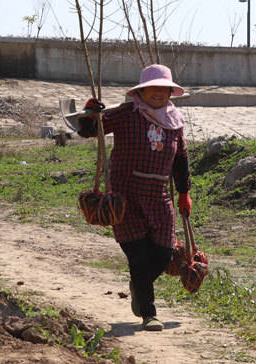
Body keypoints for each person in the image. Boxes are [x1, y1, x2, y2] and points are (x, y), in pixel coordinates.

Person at [79, 64, 191, 332]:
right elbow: (89, 130)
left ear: (170, 93)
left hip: (159, 198)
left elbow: (181, 160)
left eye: (164, 89)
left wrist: (184, 193)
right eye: (153, 88)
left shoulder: (174, 122)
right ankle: (149, 313)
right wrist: (90, 112)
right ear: (141, 91)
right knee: (138, 257)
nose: (159, 93)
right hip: (126, 198)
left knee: (164, 255)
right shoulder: (127, 114)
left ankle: (138, 287)